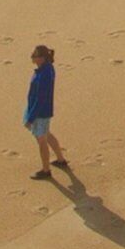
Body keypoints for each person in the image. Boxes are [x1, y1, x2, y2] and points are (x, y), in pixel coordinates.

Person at [24, 44, 74, 181]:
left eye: (34, 55)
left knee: (41, 141)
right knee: (46, 134)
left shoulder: (44, 74)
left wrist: (30, 118)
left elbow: (40, 98)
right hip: (43, 110)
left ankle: (46, 170)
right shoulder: (47, 69)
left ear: (41, 58)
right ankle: (61, 160)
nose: (32, 57)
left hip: (40, 113)